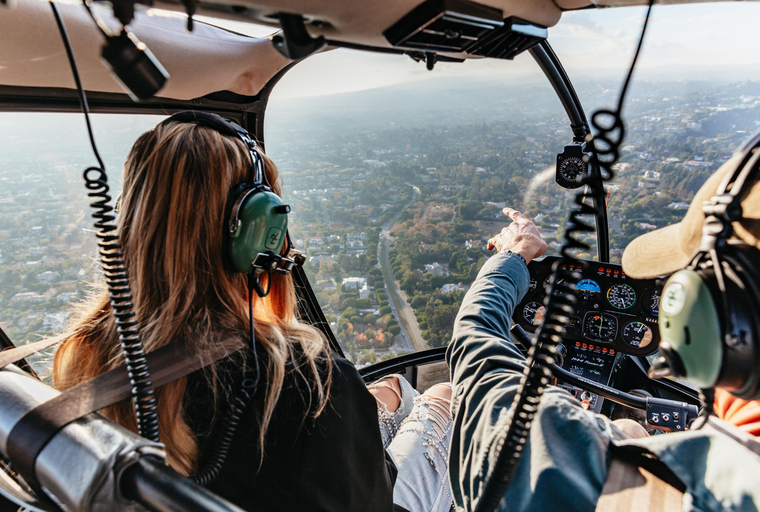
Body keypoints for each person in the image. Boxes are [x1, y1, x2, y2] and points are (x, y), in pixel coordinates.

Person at [52, 115, 454, 512]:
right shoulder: (301, 381)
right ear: (256, 233)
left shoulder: (81, 357)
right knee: (442, 397)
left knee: (393, 392)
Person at [446, 148, 760, 511]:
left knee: (442, 392)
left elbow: (475, 352)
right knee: (632, 430)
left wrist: (513, 257)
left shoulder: (569, 470)